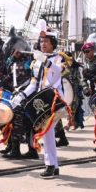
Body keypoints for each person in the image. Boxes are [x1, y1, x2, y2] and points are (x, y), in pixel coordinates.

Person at [13, 23, 64, 178]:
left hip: (53, 99)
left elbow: (58, 72)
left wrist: (46, 61)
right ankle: (53, 165)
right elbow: (34, 83)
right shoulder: (37, 61)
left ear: (53, 43)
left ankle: (50, 165)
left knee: (47, 132)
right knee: (46, 133)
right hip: (41, 100)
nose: (43, 44)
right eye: (41, 42)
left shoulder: (58, 58)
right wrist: (22, 95)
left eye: (46, 42)